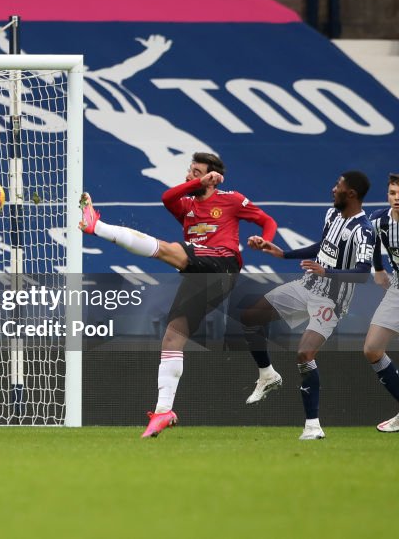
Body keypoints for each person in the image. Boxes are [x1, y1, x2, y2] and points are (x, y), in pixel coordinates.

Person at [79, 151, 276, 438]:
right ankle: (163, 411)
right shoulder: (185, 205)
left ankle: (97, 226)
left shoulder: (231, 199)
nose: (189, 176)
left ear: (212, 179)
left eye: (196, 172)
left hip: (223, 265)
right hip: (199, 274)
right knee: (173, 335)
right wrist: (198, 182)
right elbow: (167, 197)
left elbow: (267, 220)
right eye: (190, 170)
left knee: (174, 250)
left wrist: (265, 240)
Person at [243, 171, 373, 440]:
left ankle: (312, 426)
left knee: (305, 354)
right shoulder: (332, 215)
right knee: (251, 317)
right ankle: (267, 375)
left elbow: (362, 273)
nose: (332, 189)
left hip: (332, 300)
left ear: (351, 194)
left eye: (338, 186)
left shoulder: (364, 231)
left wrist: (327, 273)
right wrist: (283, 253)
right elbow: (323, 247)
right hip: (307, 286)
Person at [366, 173, 399, 433]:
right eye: (392, 193)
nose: (396, 199)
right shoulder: (379, 219)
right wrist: (378, 269)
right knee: (373, 349)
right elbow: (374, 242)